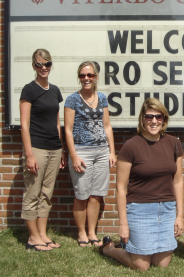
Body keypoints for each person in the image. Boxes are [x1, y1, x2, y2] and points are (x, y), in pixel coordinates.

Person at [101, 98, 184, 271]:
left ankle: (139, 248)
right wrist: (123, 224)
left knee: (162, 264)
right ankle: (109, 249)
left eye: (158, 117)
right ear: (142, 119)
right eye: (149, 117)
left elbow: (178, 181)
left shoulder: (174, 144)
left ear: (164, 118)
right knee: (142, 266)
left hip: (166, 210)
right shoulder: (131, 146)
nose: (154, 121)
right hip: (139, 210)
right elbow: (121, 188)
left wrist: (180, 215)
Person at [64, 61, 116, 247]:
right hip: (81, 150)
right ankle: (81, 233)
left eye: (90, 75)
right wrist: (74, 156)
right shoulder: (72, 100)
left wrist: (112, 151)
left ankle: (92, 233)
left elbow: (107, 125)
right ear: (79, 77)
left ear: (96, 77)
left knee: (96, 195)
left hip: (101, 151)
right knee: (82, 195)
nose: (86, 79)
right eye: (82, 75)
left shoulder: (102, 98)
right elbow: (68, 130)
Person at [20, 48, 67, 251]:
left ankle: (42, 234)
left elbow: (57, 122)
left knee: (47, 194)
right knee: (32, 192)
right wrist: (29, 154)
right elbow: (24, 124)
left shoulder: (55, 90)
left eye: (47, 64)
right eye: (39, 64)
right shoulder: (29, 90)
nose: (43, 68)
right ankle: (32, 238)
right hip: (37, 147)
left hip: (54, 149)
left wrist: (61, 147)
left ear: (51, 65)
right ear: (33, 66)